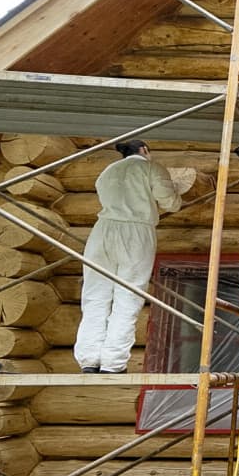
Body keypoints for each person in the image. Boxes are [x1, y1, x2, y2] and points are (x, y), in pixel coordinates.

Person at [74, 139, 190, 374]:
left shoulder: (107, 172)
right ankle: (113, 362)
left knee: (95, 295)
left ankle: (89, 358)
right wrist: (177, 192)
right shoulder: (151, 168)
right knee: (128, 295)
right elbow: (170, 203)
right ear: (145, 150)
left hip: (102, 231)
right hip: (136, 231)